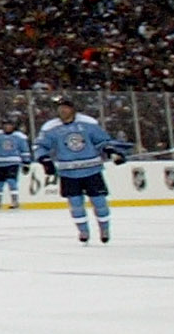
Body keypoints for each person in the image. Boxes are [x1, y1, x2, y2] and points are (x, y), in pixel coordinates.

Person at [35, 100, 118, 244]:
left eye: (66, 108)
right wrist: (44, 160)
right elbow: (40, 146)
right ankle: (83, 231)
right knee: (76, 204)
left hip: (91, 170)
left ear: (73, 109)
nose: (63, 111)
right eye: (60, 108)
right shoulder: (50, 127)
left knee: (99, 202)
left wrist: (111, 152)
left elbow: (102, 141)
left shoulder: (88, 123)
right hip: (68, 173)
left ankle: (104, 229)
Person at [0, 118, 31, 209]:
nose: (7, 127)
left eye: (9, 125)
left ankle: (15, 201)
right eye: (5, 125)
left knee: (11, 181)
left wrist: (26, 163)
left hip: (13, 162)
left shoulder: (19, 137)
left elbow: (25, 150)